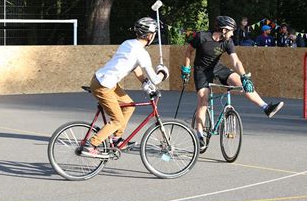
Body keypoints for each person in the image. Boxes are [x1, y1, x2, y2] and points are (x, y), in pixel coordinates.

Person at [181, 16, 284, 149]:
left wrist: (244, 76)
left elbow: (236, 61)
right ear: (223, 29)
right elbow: (189, 51)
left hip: (217, 67)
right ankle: (199, 135)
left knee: (242, 83)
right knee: (203, 99)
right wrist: (186, 68)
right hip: (202, 71)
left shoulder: (228, 42)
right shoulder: (202, 37)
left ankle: (266, 107)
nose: (233, 33)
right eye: (231, 30)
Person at [81, 17, 169, 157]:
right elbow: (156, 79)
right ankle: (91, 145)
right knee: (117, 120)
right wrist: (163, 73)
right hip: (104, 86)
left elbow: (135, 67)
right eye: (154, 34)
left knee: (129, 105)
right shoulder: (141, 52)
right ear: (149, 35)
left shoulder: (128, 43)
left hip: (102, 81)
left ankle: (116, 139)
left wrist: (145, 83)